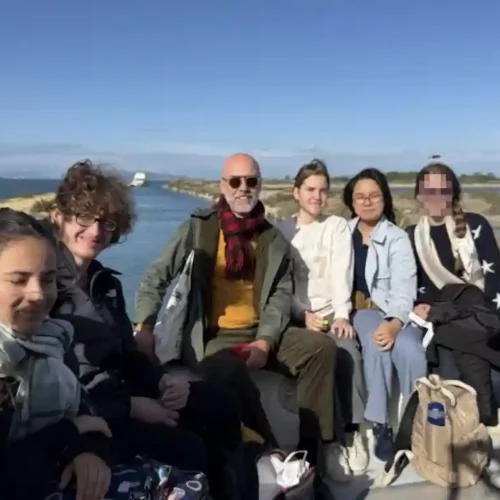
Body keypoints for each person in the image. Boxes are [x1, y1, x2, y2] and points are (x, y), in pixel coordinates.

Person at [134, 153, 340, 484]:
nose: (243, 188)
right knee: (226, 371)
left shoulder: (272, 238)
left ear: (259, 184)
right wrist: (144, 324)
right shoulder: (199, 228)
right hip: (212, 336)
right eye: (235, 181)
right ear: (223, 185)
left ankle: (314, 453)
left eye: (251, 181)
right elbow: (157, 276)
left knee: (321, 349)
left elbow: (280, 296)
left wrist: (265, 341)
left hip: (261, 331)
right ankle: (273, 456)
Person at [47, 161, 243, 500]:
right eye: (84, 217)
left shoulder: (104, 284)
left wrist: (162, 383)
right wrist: (130, 407)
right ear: (58, 217)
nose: (95, 231)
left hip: (122, 392)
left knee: (219, 404)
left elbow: (128, 354)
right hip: (88, 413)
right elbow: (59, 383)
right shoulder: (43, 288)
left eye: (106, 222)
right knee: (187, 449)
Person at [0, 208, 113, 500]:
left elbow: (91, 417)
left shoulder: (50, 341)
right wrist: (69, 434)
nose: (38, 294)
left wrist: (87, 452)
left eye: (48, 279)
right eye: (19, 280)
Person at [279, 159, 368, 480]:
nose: (317, 196)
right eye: (310, 189)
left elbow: (341, 273)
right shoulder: (283, 231)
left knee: (347, 351)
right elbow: (282, 285)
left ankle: (351, 433)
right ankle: (327, 442)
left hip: (331, 313)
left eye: (323, 190)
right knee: (320, 358)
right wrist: (302, 315)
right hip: (298, 318)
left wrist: (342, 314)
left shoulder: (336, 227)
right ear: (296, 192)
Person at [343, 168, 427, 462]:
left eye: (374, 195)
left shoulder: (396, 237)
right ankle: (381, 424)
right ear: (351, 201)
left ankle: (417, 422)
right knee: (375, 340)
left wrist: (395, 322)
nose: (367, 202)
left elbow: (404, 286)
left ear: (385, 198)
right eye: (360, 196)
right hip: (363, 309)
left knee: (410, 347)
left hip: (396, 309)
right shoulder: (342, 233)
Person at [408, 160, 500, 425]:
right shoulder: (413, 236)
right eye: (429, 191)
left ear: (453, 194)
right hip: (442, 320)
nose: (436, 197)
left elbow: (494, 281)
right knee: (449, 370)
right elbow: (418, 287)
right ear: (418, 196)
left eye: (443, 191)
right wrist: (421, 307)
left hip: (480, 317)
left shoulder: (475, 225)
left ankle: (478, 423)